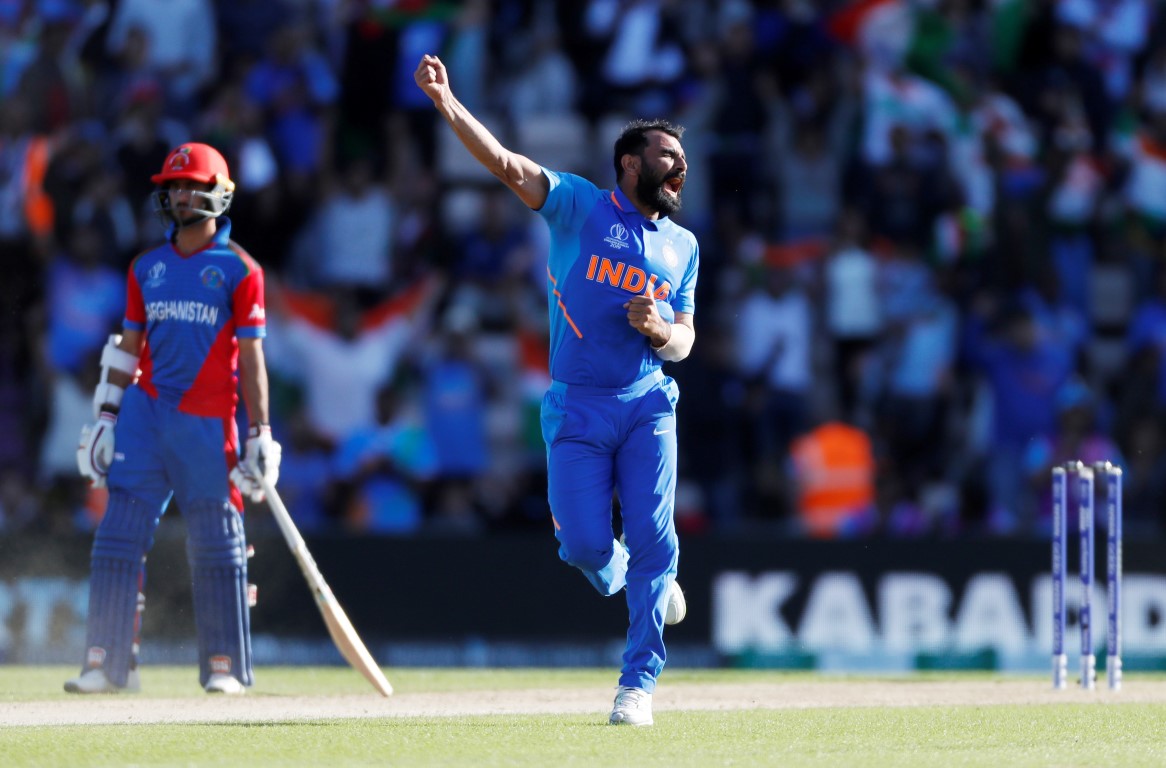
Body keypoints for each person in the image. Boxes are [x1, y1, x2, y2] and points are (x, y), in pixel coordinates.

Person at [416, 54, 697, 727]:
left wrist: (661, 330)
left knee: (658, 539)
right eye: (666, 154)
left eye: (682, 157)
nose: (678, 166)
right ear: (629, 163)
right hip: (576, 405)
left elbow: (686, 341)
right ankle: (637, 579)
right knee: (584, 548)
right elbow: (510, 166)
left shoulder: (683, 245)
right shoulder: (576, 204)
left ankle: (638, 685)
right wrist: (449, 106)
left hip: (646, 402)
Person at [69, 142, 281, 695]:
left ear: (219, 193)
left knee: (216, 543)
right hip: (145, 415)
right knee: (117, 537)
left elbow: (253, 358)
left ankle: (223, 666)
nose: (182, 195)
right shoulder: (146, 267)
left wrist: (260, 434)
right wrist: (105, 418)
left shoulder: (240, 270)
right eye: (174, 187)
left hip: (208, 422)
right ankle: (107, 663)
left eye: (193, 186)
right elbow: (128, 348)